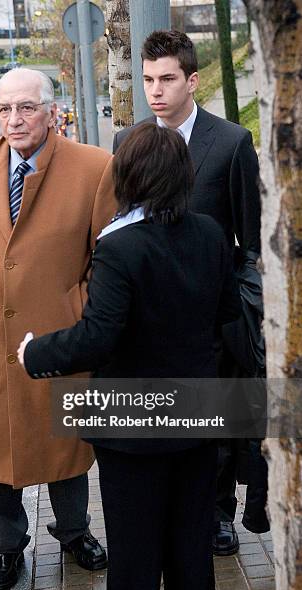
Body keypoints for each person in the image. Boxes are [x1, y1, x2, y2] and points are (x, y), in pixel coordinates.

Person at [17, 124, 242, 590]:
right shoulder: (210, 234)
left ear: (130, 177)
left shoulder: (119, 247)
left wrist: (35, 353)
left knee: (136, 560)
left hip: (131, 421)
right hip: (200, 414)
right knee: (191, 553)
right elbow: (228, 312)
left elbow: (98, 337)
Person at [0, 68, 116, 590]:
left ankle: (75, 533)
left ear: (51, 110)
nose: (14, 121)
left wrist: (75, 310)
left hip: (61, 338)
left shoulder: (94, 167)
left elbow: (106, 257)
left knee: (66, 446)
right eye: (5, 110)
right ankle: (6, 547)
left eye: (26, 108)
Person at [113, 29, 264, 556]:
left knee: (213, 416)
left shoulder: (230, 143)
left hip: (212, 313)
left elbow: (250, 234)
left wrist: (243, 309)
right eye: (149, 80)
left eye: (167, 79)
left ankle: (218, 511)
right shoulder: (128, 142)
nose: (156, 91)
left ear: (192, 80)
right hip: (147, 316)